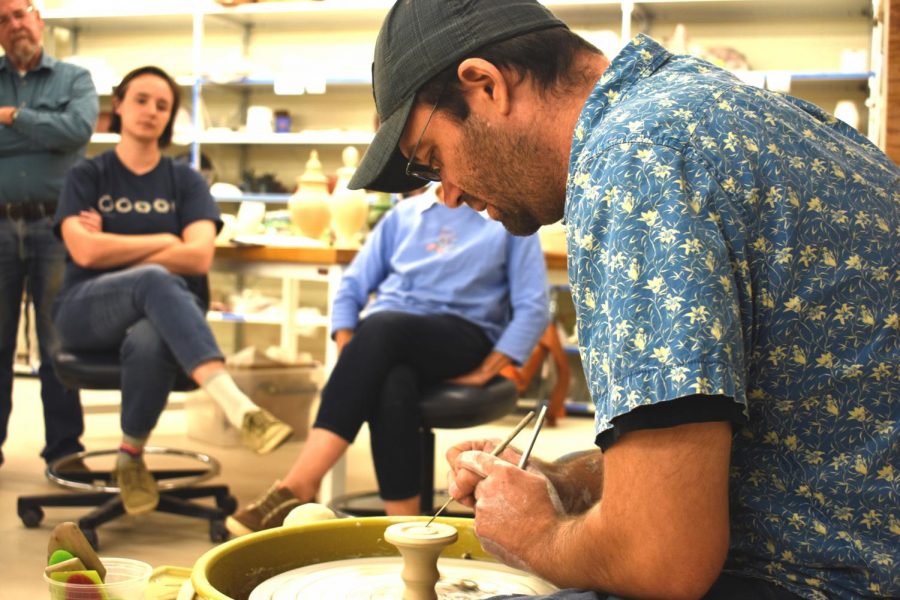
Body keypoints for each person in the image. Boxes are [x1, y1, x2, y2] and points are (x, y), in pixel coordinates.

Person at [346, 1, 900, 599]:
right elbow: (736, 447)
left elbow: (662, 558)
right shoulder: (707, 108)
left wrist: (534, 536)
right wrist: (560, 482)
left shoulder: (633, 164)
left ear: (485, 85)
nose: (448, 196)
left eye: (433, 163)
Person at [225, 182, 549, 535]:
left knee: (381, 327)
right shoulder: (404, 215)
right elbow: (351, 287)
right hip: (389, 338)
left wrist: (487, 370)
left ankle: (297, 486)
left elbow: (533, 306)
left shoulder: (506, 215)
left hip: (462, 335)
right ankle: (407, 530)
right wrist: (355, 353)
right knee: (393, 380)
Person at [53, 65, 292, 516]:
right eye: (141, 99)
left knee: (151, 334)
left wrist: (114, 244)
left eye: (163, 105)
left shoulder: (185, 181)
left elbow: (199, 257)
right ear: (118, 105)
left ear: (170, 119)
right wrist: (164, 243)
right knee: (155, 277)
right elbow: (83, 252)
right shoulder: (87, 176)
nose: (150, 111)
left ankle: (130, 456)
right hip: (86, 310)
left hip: (165, 321)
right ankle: (235, 404)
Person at [0, 0, 97, 469]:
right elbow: (59, 134)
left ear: (38, 19)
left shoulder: (73, 78)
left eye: (21, 13)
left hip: (56, 225)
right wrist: (46, 131)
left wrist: (12, 118)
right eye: (3, 18)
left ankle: (64, 450)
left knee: (59, 341)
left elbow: (78, 129)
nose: (14, 24)